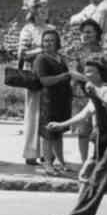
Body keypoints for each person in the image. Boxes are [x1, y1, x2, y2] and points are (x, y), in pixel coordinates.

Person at [52, 46, 107, 215]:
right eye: (105, 49)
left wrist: (99, 91)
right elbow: (89, 111)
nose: (106, 53)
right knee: (97, 177)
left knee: (98, 176)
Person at [18, 0, 53, 165]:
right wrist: (42, 50)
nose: (44, 12)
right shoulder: (28, 30)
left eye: (46, 9)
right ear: (34, 11)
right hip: (33, 74)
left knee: (49, 111)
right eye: (41, 9)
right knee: (33, 112)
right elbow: (22, 54)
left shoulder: (51, 28)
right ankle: (31, 152)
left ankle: (48, 151)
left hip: (50, 74)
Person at [34, 29, 74, 174]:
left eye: (51, 40)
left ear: (57, 42)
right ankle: (48, 164)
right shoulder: (41, 59)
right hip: (49, 100)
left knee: (59, 132)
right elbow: (44, 80)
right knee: (48, 133)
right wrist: (62, 76)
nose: (49, 43)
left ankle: (61, 162)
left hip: (63, 100)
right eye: (46, 40)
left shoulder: (60, 58)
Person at [70, 18, 104, 178]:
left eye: (89, 32)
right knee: (83, 131)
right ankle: (84, 164)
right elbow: (72, 72)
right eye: (83, 32)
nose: (86, 35)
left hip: (100, 96)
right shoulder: (77, 51)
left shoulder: (104, 51)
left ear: (97, 33)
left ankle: (99, 164)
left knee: (100, 131)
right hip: (81, 95)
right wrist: (89, 80)